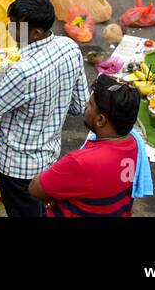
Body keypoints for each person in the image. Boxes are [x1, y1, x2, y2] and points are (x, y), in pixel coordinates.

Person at [0, 0, 87, 217]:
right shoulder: (69, 47)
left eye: (15, 26)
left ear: (36, 32)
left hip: (17, 168)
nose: (9, 30)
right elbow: (78, 106)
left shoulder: (21, 73)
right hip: (51, 158)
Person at [28, 73, 141, 216]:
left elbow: (35, 188)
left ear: (100, 120)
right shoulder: (132, 144)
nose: (86, 105)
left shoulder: (81, 162)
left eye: (91, 103)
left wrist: (55, 198)